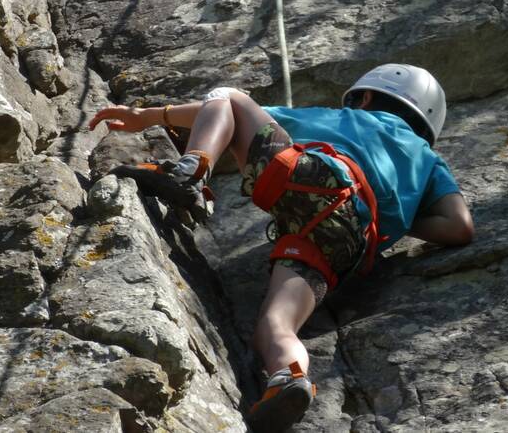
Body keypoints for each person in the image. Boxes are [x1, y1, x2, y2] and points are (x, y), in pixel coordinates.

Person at [89, 63, 474, 433]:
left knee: (229, 95)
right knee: (276, 325)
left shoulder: (349, 118)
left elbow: (225, 110)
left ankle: (190, 171)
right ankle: (287, 378)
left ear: (365, 97)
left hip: (313, 178)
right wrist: (395, 215)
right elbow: (459, 227)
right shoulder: (429, 161)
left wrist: (150, 115)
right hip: (349, 242)